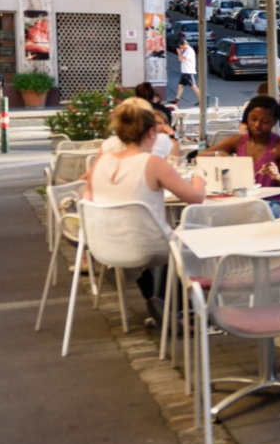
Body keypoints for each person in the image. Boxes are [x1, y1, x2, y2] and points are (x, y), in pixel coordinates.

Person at [85, 98, 206, 319]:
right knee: (185, 234)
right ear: (151, 133)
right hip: (148, 247)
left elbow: (88, 202)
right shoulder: (153, 163)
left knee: (167, 234)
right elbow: (196, 198)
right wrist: (200, 179)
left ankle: (162, 303)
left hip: (103, 247)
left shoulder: (99, 163)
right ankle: (176, 309)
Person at [199, 96, 280, 188]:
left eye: (265, 121)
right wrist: (217, 154)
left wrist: (277, 176)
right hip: (243, 199)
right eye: (253, 119)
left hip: (273, 201)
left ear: (275, 121)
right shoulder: (237, 141)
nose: (257, 124)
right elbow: (200, 156)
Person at [173, 38, 198, 106]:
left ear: (183, 45)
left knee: (193, 86)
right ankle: (177, 100)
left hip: (188, 71)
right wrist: (181, 52)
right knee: (180, 85)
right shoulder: (187, 50)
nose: (180, 48)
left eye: (180, 46)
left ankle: (202, 99)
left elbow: (181, 59)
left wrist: (179, 52)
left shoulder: (189, 51)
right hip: (185, 71)